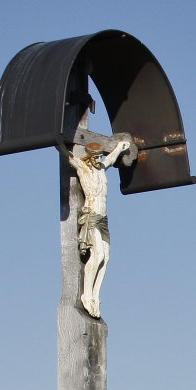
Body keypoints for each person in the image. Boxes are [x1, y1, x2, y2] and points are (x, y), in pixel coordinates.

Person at [64, 135, 134, 318]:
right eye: (94, 157)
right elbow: (69, 157)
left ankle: (95, 295)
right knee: (98, 255)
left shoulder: (102, 168)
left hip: (103, 218)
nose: (97, 160)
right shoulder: (83, 168)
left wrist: (120, 147)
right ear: (89, 157)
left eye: (98, 157)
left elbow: (110, 158)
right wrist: (58, 143)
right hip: (92, 215)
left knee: (106, 258)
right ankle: (86, 295)